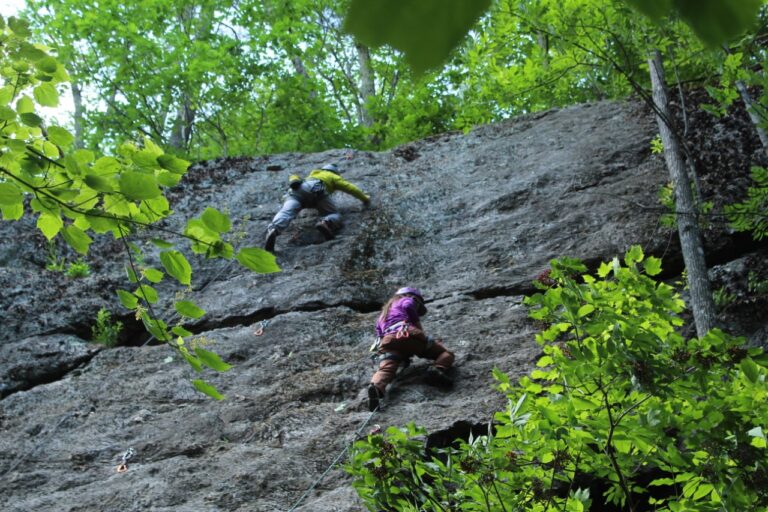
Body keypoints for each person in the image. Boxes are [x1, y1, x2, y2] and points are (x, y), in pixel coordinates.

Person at [367, 287, 455, 411]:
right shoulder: (407, 300)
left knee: (387, 368)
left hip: (388, 340)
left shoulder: (383, 314)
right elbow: (408, 306)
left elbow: (379, 335)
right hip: (407, 333)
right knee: (446, 353)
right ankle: (437, 369)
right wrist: (417, 326)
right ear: (412, 297)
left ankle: (376, 387)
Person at [264, 163, 370, 252]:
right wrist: (364, 198)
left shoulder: (312, 175)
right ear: (334, 172)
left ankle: (273, 229)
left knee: (286, 212)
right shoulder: (332, 176)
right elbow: (349, 188)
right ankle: (326, 223)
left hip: (297, 190)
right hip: (317, 190)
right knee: (334, 213)